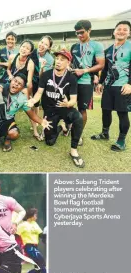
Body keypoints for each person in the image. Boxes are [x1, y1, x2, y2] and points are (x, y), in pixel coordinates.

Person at [28, 49, 85, 168]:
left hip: (63, 107)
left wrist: (68, 103)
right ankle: (62, 127)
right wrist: (33, 100)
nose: (58, 61)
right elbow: (39, 93)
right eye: (57, 59)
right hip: (49, 110)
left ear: (68, 63)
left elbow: (74, 99)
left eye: (62, 60)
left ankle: (73, 150)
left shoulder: (71, 78)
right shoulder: (46, 74)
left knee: (78, 117)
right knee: (49, 142)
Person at [0, 72, 52, 154]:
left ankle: (7, 139)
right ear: (11, 80)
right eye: (15, 81)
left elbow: (31, 114)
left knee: (14, 133)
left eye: (19, 84)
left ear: (22, 88)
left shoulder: (22, 99)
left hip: (6, 122)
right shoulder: (3, 87)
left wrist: (41, 122)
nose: (16, 84)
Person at [91, 20, 131, 151]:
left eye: (125, 29)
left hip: (123, 86)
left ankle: (121, 140)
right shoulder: (108, 50)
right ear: (114, 32)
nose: (121, 31)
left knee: (122, 113)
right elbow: (106, 69)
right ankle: (105, 133)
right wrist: (101, 82)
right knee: (105, 110)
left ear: (129, 33)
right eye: (119, 29)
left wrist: (130, 84)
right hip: (108, 86)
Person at [71, 20, 105, 146]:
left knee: (82, 109)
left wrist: (85, 70)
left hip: (86, 82)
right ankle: (70, 127)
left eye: (82, 32)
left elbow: (101, 65)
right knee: (68, 106)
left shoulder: (97, 46)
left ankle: (78, 134)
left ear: (89, 30)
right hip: (73, 81)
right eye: (77, 33)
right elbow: (71, 63)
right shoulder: (74, 47)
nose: (79, 35)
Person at [31, 36, 55, 141]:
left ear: (49, 47)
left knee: (38, 104)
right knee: (32, 105)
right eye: (41, 42)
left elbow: (43, 77)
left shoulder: (49, 58)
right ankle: (35, 130)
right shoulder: (32, 52)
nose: (42, 45)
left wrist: (41, 68)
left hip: (41, 82)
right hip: (30, 81)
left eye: (46, 44)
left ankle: (36, 122)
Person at [16, 208, 47, 273]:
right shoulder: (22, 225)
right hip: (28, 247)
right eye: (35, 215)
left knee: (38, 268)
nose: (36, 217)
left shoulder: (34, 224)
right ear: (31, 215)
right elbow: (16, 235)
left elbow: (41, 235)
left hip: (35, 247)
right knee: (42, 260)